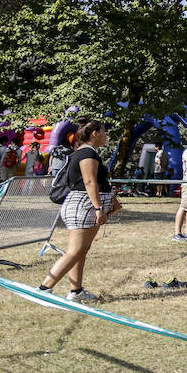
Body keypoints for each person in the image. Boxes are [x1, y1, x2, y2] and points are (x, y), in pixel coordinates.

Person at [38, 120, 121, 302]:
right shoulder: (86, 154)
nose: (106, 135)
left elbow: (98, 183)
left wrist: (111, 201)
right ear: (95, 134)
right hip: (84, 206)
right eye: (104, 132)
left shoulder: (87, 153)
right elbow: (89, 182)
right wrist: (99, 208)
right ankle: (44, 289)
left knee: (81, 250)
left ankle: (76, 291)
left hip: (86, 206)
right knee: (75, 251)